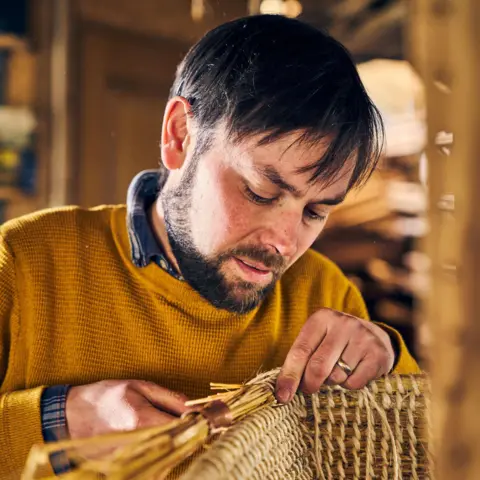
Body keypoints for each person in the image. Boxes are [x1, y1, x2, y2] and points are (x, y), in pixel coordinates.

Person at [0, 14, 420, 477]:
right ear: (179, 135)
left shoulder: (324, 294)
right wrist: (53, 420)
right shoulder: (22, 261)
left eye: (314, 212)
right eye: (260, 192)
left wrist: (387, 356)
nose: (283, 244)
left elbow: (420, 450)